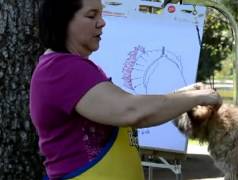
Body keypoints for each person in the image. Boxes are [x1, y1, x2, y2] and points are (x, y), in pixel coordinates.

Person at [29, 0, 222, 179]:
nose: (102, 22)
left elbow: (132, 108)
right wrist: (197, 97)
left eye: (101, 14)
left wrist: (187, 94)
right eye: (91, 15)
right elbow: (132, 111)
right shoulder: (63, 69)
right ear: (63, 21)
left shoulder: (68, 66)